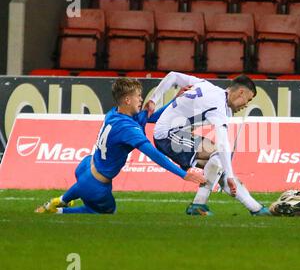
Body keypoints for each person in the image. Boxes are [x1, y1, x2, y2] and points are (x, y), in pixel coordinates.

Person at [35, 78, 205, 214]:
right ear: (127, 99)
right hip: (97, 184)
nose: (141, 99)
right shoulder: (127, 129)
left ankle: (62, 199)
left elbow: (152, 117)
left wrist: (175, 101)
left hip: (86, 166)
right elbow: (154, 154)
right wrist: (183, 175)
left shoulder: (115, 113)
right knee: (106, 211)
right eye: (138, 96)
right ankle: (60, 210)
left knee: (83, 188)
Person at [148, 71, 271, 216]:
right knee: (219, 157)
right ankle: (198, 205)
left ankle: (256, 208)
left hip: (176, 133)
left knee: (219, 166)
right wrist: (230, 175)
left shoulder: (206, 85)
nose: (246, 105)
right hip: (167, 135)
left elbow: (173, 76)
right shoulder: (218, 105)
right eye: (248, 100)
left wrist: (153, 100)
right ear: (241, 92)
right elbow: (223, 143)